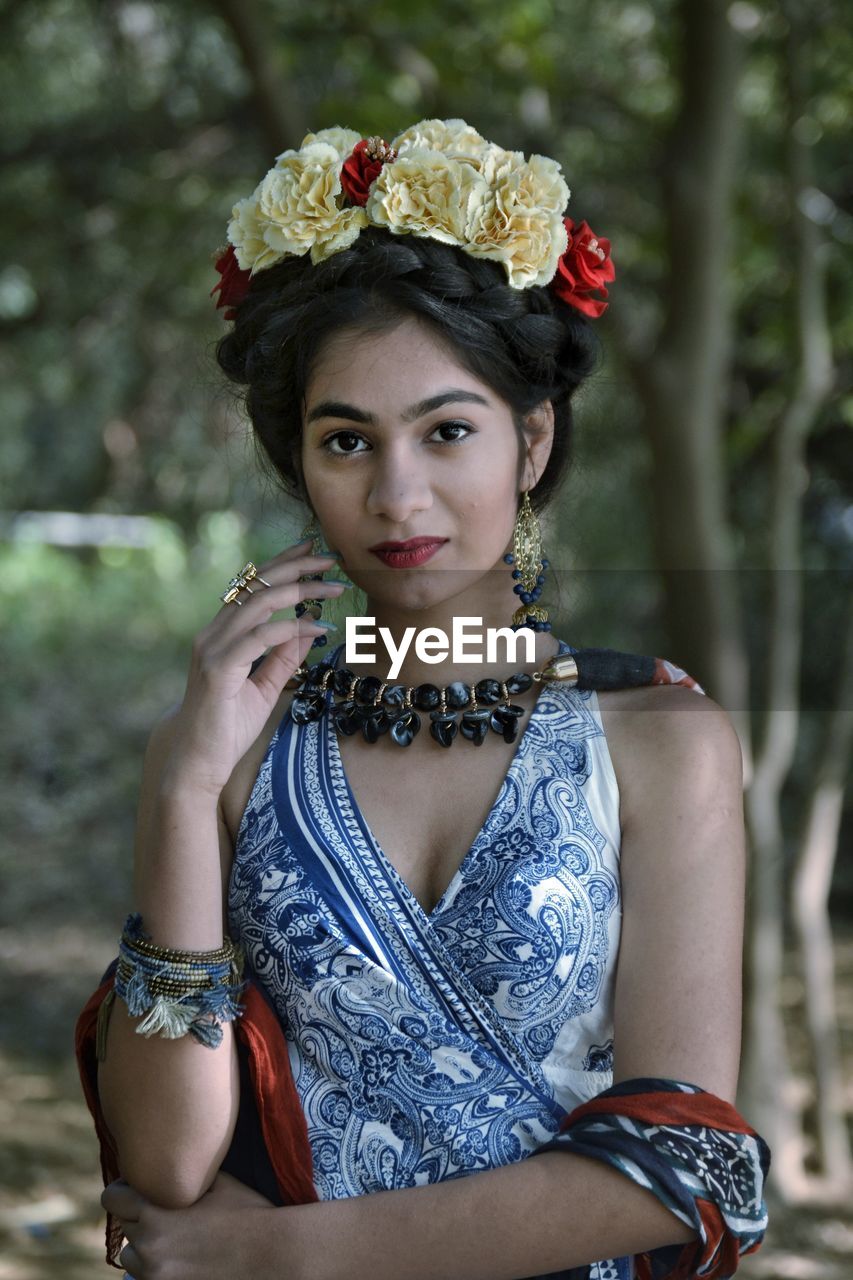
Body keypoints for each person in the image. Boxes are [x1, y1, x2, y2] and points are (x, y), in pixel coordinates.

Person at [76, 120, 770, 1280]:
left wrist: (283, 1255)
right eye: (346, 441)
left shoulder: (655, 741)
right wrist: (179, 783)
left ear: (531, 441)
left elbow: (687, 1164)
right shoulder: (241, 751)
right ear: (300, 464)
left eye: (448, 430)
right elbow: (167, 1160)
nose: (399, 494)